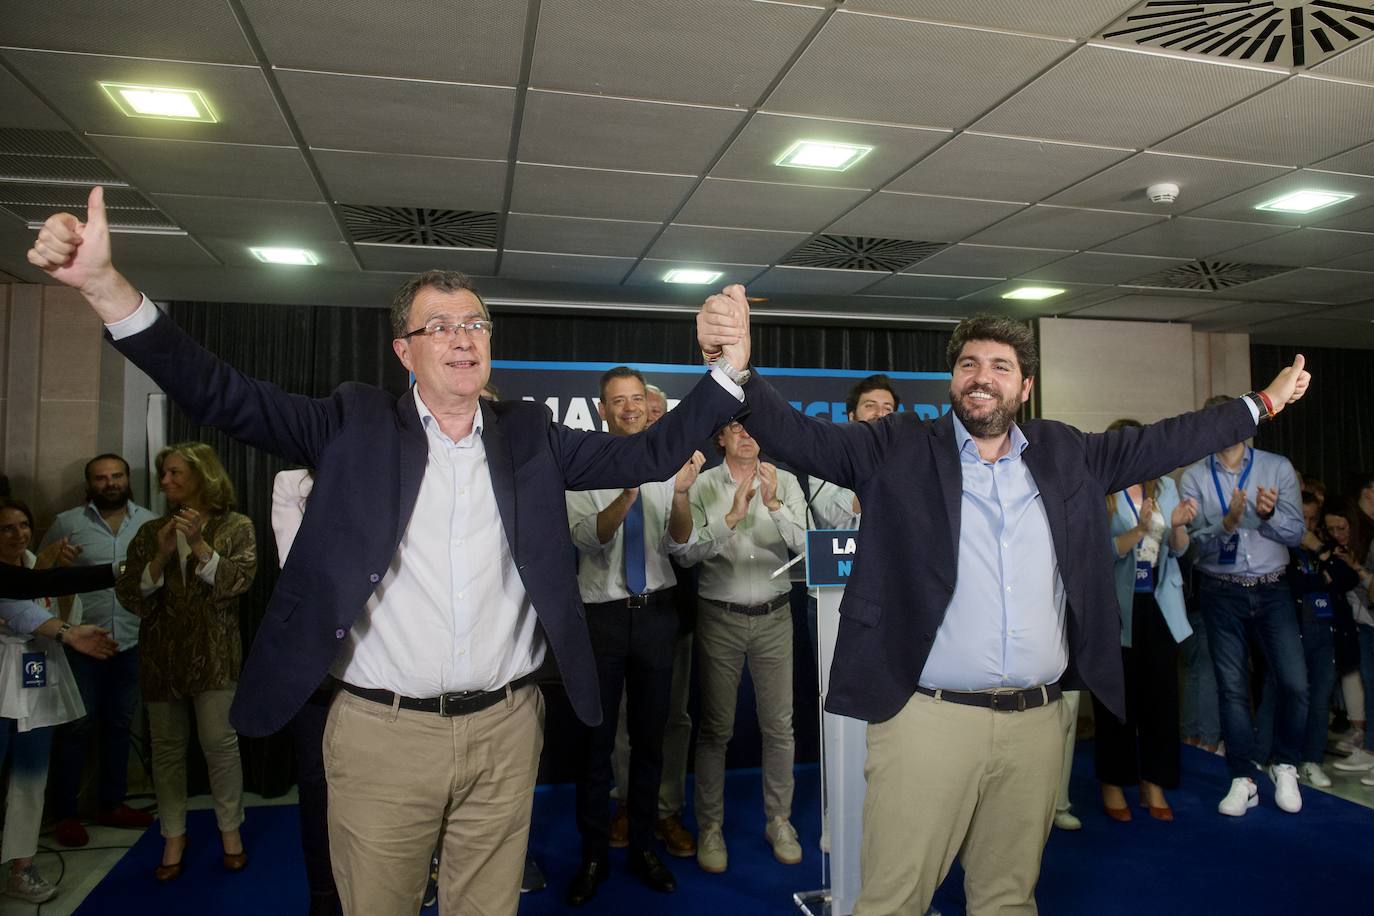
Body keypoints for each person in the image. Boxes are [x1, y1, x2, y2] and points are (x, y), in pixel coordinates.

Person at [28, 186, 747, 915]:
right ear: (404, 350)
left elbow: (653, 451)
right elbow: (222, 393)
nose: (463, 337)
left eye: (475, 322)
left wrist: (727, 370)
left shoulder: (531, 435)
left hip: (506, 728)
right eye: (439, 327)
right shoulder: (354, 424)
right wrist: (106, 287)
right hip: (381, 733)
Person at [721, 282, 1310, 914]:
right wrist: (735, 373)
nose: (982, 377)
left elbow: (1169, 438)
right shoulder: (898, 448)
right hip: (928, 720)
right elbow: (799, 436)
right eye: (968, 364)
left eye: (1001, 367)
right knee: (893, 901)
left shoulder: (1068, 454)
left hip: (1036, 723)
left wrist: (1262, 405)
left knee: (1007, 900)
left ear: (1024, 388)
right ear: (952, 381)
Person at [564, 366, 704, 905]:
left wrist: (683, 495)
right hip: (600, 619)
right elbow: (587, 539)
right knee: (596, 745)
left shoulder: (671, 463)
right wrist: (628, 489)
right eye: (617, 401)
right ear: (603, 410)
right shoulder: (582, 464)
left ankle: (644, 845)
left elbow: (684, 549)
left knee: (651, 741)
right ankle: (595, 855)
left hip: (655, 617)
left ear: (650, 407)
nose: (629, 408)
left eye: (637, 400)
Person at [115, 443, 256, 881]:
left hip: (213, 655)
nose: (166, 482)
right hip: (161, 656)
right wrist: (159, 555)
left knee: (220, 747)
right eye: (164, 475)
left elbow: (238, 582)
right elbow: (131, 594)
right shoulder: (149, 530)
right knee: (167, 751)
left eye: (175, 473)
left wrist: (198, 545)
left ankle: (230, 831)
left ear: (202, 475)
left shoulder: (236, 526)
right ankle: (173, 834)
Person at [678, 419, 807, 874]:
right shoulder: (703, 483)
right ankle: (710, 827)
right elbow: (685, 552)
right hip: (720, 618)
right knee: (716, 730)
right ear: (721, 438)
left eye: (753, 429)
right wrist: (730, 517)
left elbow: (807, 550)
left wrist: (773, 506)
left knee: (780, 728)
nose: (747, 436)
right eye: (736, 429)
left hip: (774, 617)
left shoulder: (785, 481)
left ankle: (779, 820)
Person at [1179, 397, 1307, 817]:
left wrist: (1266, 515)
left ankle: (1285, 763)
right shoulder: (1194, 477)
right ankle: (1242, 778)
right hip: (1222, 591)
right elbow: (1191, 546)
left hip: (1273, 589)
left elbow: (1296, 533)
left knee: (1294, 683)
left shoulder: (1277, 467)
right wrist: (1229, 523)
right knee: (1231, 688)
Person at [0, 498, 117, 903]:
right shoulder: (25, 571)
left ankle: (22, 867)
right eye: (8, 528)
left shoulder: (38, 561)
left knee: (31, 780)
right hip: (2, 681)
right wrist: (45, 575)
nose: (19, 534)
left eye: (23, 525)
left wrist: (55, 582)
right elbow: (17, 608)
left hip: (36, 682)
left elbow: (65, 609)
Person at [41, 453, 158, 847]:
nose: (111, 483)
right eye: (101, 478)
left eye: (117, 476)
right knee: (76, 728)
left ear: (127, 479)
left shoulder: (148, 522)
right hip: (80, 643)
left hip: (130, 642)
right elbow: (37, 576)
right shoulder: (66, 523)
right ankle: (66, 813)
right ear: (89, 483)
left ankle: (112, 803)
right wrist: (56, 562)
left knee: (120, 725)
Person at [1094, 420, 1198, 823]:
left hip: (1158, 604)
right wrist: (1139, 530)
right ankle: (1113, 781)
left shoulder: (1166, 487)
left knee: (1160, 698)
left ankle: (1153, 780)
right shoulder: (1100, 489)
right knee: (1116, 700)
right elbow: (1100, 552)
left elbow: (1181, 549)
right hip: (1115, 608)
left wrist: (1178, 526)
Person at [807, 375, 899, 530]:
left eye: (888, 408)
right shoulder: (827, 456)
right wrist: (876, 471)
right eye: (870, 406)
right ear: (851, 416)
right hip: (838, 552)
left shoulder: (906, 462)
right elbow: (830, 514)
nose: (880, 414)